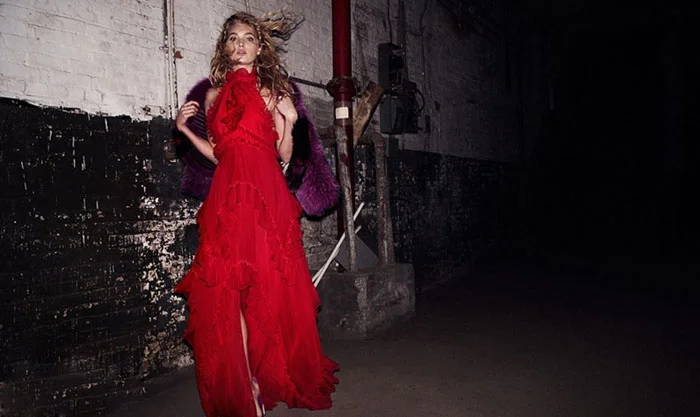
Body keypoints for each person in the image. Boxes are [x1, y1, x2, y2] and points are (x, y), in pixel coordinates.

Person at [173, 11, 339, 417]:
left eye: (248, 38)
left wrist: (291, 120)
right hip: (227, 197)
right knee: (226, 290)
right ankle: (245, 382)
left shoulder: (272, 91)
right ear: (225, 47)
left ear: (260, 46)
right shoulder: (212, 97)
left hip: (266, 195)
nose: (241, 45)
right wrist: (187, 131)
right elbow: (220, 154)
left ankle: (273, 371)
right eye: (234, 38)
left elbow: (284, 153)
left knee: (271, 286)